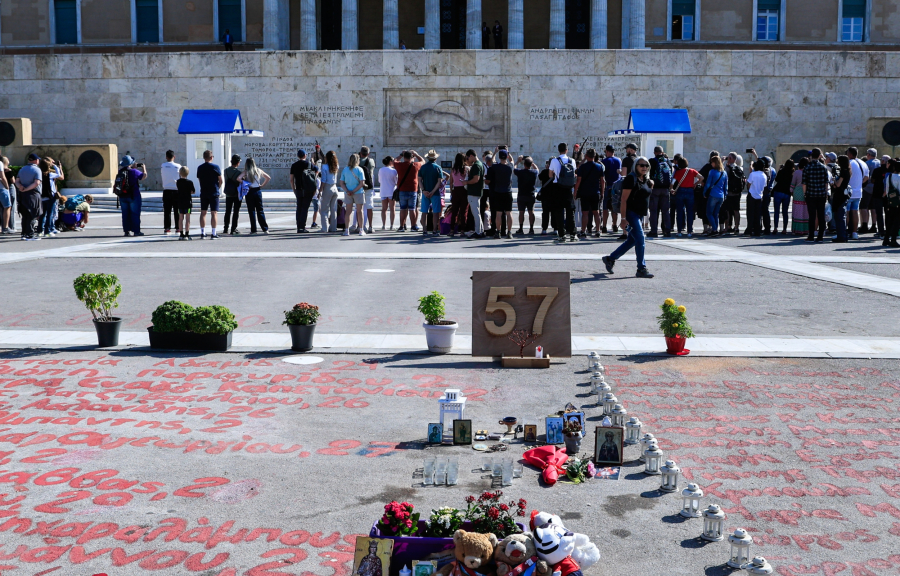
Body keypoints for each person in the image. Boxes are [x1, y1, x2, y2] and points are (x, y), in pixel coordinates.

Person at [602, 157, 654, 278]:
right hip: (631, 214)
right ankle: (641, 268)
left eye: (646, 165)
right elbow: (624, 200)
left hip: (640, 214)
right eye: (641, 165)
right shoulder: (631, 178)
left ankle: (610, 258)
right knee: (640, 239)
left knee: (632, 240)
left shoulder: (646, 180)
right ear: (636, 166)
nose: (644, 167)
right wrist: (623, 219)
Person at [549, 142, 577, 244]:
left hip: (558, 187)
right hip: (569, 188)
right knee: (570, 212)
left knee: (559, 212)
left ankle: (561, 235)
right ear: (567, 150)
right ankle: (573, 234)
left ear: (558, 150)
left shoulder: (554, 161)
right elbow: (574, 174)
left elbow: (550, 175)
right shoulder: (572, 161)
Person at [574, 148, 604, 238]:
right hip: (595, 192)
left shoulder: (582, 167)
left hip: (585, 192)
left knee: (585, 213)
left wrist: (575, 192)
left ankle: (583, 231)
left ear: (586, 156)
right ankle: (598, 230)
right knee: (596, 212)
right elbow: (603, 181)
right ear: (595, 156)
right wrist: (602, 192)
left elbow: (578, 181)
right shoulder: (599, 167)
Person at [802, 148, 830, 242]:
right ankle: (820, 236)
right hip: (821, 194)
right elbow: (826, 182)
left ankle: (811, 235)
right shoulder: (823, 167)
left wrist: (805, 193)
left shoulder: (807, 167)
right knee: (821, 215)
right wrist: (826, 193)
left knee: (812, 216)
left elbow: (804, 183)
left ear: (811, 156)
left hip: (811, 194)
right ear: (819, 156)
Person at [485, 149, 514, 239]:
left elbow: (492, 161)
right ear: (507, 156)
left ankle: (498, 232)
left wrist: (495, 152)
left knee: (498, 213)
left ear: (499, 157)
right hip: (508, 192)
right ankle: (509, 232)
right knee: (509, 213)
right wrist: (508, 151)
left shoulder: (496, 167)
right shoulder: (510, 166)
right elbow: (512, 161)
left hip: (498, 192)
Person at [238, 157, 271, 235]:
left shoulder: (246, 172)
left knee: (251, 211)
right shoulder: (258, 170)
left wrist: (245, 183)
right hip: (258, 190)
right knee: (260, 210)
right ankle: (265, 229)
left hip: (250, 191)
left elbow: (238, 178)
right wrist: (262, 185)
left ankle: (254, 230)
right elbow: (268, 177)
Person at [672, 157, 702, 237]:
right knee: (690, 212)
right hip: (690, 191)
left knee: (679, 212)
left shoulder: (678, 172)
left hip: (680, 191)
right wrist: (695, 184)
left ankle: (679, 231)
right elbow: (701, 177)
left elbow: (673, 181)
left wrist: (671, 189)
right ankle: (689, 231)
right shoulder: (692, 171)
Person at [117, 154, 147, 237]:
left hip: (122, 196)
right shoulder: (134, 171)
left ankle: (126, 231)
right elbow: (143, 176)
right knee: (135, 214)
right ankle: (136, 231)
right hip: (134, 195)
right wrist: (143, 168)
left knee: (125, 214)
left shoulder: (120, 171)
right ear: (131, 163)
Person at [394, 150, 424, 232]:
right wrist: (416, 154)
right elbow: (423, 161)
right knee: (412, 209)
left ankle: (401, 226)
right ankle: (413, 226)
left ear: (404, 157)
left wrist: (401, 154)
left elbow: (394, 161)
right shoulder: (416, 165)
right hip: (413, 189)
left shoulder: (400, 165)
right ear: (412, 157)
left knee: (402, 209)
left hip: (402, 189)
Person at [16, 154, 43, 240]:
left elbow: (17, 181)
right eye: (38, 160)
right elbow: (37, 183)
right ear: (35, 160)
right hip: (33, 194)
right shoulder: (37, 170)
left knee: (25, 214)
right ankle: (30, 234)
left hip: (22, 194)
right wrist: (27, 189)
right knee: (32, 214)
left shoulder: (22, 169)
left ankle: (24, 234)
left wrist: (20, 187)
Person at [195, 150, 222, 239]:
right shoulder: (216, 167)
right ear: (211, 157)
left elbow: (199, 180)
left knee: (203, 212)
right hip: (214, 191)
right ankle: (213, 233)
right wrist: (218, 187)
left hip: (204, 191)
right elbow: (220, 180)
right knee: (214, 213)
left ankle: (203, 233)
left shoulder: (200, 168)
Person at [290, 149, 318, 233]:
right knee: (305, 208)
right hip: (308, 189)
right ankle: (302, 227)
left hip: (298, 189)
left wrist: (294, 189)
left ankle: (299, 226)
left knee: (299, 208)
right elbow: (317, 170)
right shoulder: (309, 164)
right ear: (305, 155)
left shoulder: (294, 165)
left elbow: (291, 179)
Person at [417, 150, 444, 236]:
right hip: (435, 193)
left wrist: (424, 190)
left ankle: (424, 230)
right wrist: (433, 191)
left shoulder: (423, 167)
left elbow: (419, 180)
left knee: (424, 212)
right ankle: (434, 230)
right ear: (435, 158)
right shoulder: (438, 168)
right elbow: (439, 182)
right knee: (436, 212)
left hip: (425, 192)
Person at [647, 146, 673, 238]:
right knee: (665, 211)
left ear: (655, 152)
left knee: (654, 211)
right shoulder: (668, 161)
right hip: (666, 189)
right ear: (662, 152)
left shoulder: (652, 161)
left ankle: (654, 231)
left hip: (655, 189)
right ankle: (667, 230)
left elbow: (648, 174)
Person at [339, 153, 367, 237]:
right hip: (358, 192)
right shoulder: (359, 169)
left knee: (348, 211)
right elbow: (362, 183)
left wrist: (348, 191)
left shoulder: (345, 169)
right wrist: (354, 191)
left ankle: (347, 230)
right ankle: (361, 230)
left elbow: (341, 182)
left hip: (348, 193)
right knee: (359, 211)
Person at [702, 155, 727, 237]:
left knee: (709, 213)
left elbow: (708, 184)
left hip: (713, 194)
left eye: (712, 162)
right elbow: (725, 186)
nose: (711, 164)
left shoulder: (712, 172)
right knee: (716, 214)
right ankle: (715, 230)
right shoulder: (724, 172)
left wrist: (704, 192)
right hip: (721, 196)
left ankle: (714, 229)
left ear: (715, 163)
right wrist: (725, 195)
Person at [846, 146, 868, 240]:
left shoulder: (849, 163)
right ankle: (854, 232)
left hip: (849, 192)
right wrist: (859, 183)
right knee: (855, 211)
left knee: (846, 212)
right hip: (858, 191)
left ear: (850, 154)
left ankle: (845, 231)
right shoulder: (863, 163)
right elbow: (866, 177)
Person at [464, 149, 486, 239]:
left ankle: (478, 232)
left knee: (476, 213)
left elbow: (476, 179)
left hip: (473, 192)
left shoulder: (476, 166)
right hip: (477, 192)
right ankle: (480, 231)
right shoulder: (480, 164)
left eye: (468, 157)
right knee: (477, 213)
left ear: (472, 156)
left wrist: (466, 182)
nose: (468, 160)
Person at [514, 155, 538, 235]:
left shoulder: (520, 172)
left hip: (521, 194)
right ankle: (531, 229)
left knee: (521, 212)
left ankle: (521, 228)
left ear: (524, 164)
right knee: (531, 212)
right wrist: (532, 162)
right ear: (530, 165)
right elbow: (537, 169)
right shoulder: (534, 172)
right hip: (530, 194)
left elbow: (514, 168)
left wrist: (518, 161)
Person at [38, 157, 62, 238]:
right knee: (50, 215)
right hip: (50, 197)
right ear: (48, 166)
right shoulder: (50, 175)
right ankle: (47, 231)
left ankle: (39, 231)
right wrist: (55, 166)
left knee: (42, 215)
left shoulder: (39, 174)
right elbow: (59, 175)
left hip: (42, 197)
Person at [600, 145, 622, 234]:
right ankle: (614, 225)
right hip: (616, 186)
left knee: (605, 207)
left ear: (608, 152)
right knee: (614, 207)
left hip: (607, 186)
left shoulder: (604, 161)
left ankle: (604, 226)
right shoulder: (619, 160)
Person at [447, 153, 469, 237]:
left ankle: (452, 230)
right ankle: (462, 230)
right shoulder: (466, 169)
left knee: (454, 211)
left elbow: (451, 183)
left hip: (456, 190)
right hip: (464, 190)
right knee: (464, 212)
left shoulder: (453, 170)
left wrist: (451, 193)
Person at [831, 155, 852, 243]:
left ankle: (841, 236)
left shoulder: (843, 171)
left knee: (839, 216)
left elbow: (838, 184)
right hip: (844, 194)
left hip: (840, 195)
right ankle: (843, 235)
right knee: (841, 215)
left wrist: (834, 180)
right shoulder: (848, 171)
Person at [160, 150, 182, 236]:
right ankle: (178, 228)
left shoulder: (163, 165)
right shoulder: (178, 166)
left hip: (166, 190)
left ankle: (167, 228)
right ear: (174, 157)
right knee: (177, 210)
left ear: (166, 157)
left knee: (167, 211)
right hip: (176, 189)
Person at [869, 155, 891, 239]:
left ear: (882, 161)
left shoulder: (877, 170)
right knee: (887, 213)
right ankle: (888, 230)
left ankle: (881, 230)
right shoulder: (891, 171)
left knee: (879, 213)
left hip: (877, 193)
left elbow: (873, 180)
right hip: (888, 194)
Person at [861, 148, 881, 235]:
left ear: (868, 155)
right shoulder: (879, 163)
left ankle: (864, 225)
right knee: (873, 208)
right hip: (876, 188)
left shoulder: (867, 163)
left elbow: (864, 176)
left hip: (867, 187)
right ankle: (874, 225)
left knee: (864, 207)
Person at [319, 150, 340, 233]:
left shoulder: (324, 167)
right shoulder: (336, 166)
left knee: (324, 209)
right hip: (335, 187)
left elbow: (323, 180)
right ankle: (333, 227)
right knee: (333, 209)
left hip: (328, 187)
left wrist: (320, 190)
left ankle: (324, 228)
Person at [772, 159, 794, 234]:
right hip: (787, 193)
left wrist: (779, 169)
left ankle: (775, 227)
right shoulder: (792, 173)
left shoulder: (781, 171)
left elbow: (777, 179)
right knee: (785, 212)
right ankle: (784, 229)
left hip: (778, 191)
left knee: (776, 211)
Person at [745, 160, 767, 237]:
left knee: (750, 213)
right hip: (759, 195)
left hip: (752, 194)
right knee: (758, 214)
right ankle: (758, 230)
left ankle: (749, 229)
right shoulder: (764, 175)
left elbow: (748, 184)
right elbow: (764, 186)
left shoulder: (753, 174)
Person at [222, 154, 243, 235]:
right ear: (237, 163)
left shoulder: (225, 171)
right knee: (236, 212)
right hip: (236, 194)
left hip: (228, 194)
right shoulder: (238, 173)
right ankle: (233, 229)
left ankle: (225, 228)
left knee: (227, 211)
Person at [359, 146, 376, 233]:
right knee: (369, 206)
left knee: (359, 206)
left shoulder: (357, 161)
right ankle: (370, 226)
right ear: (368, 154)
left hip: (359, 186)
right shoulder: (371, 161)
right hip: (368, 186)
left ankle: (360, 226)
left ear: (360, 153)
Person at [883, 158, 900, 248]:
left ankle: (886, 239)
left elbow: (887, 189)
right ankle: (893, 239)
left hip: (889, 201)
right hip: (897, 202)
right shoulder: (899, 178)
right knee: (896, 222)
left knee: (889, 221)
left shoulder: (888, 176)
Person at [176, 166, 196, 240]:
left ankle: (181, 234)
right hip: (188, 202)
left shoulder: (178, 182)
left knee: (180, 218)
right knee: (187, 219)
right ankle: (187, 234)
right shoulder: (190, 182)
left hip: (180, 202)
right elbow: (193, 191)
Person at [791, 157, 810, 236]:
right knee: (806, 211)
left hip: (798, 192)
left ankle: (797, 229)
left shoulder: (797, 172)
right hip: (808, 191)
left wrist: (791, 191)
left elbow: (793, 183)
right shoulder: (809, 171)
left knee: (797, 211)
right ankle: (806, 229)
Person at [379, 156, 398, 231]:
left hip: (383, 190)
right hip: (391, 191)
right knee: (392, 209)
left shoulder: (381, 170)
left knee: (384, 209)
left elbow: (380, 180)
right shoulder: (394, 171)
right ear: (390, 161)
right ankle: (392, 225)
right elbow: (396, 181)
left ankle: (384, 225)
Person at [2, 157, 15, 234]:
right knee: (10, 207)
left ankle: (3, 226)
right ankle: (10, 226)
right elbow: (13, 181)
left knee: (2, 209)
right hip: (8, 187)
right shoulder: (8, 170)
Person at [0, 158, 10, 234]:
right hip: (1, 188)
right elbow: (3, 177)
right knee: (7, 207)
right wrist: (7, 186)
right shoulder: (0, 163)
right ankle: (5, 227)